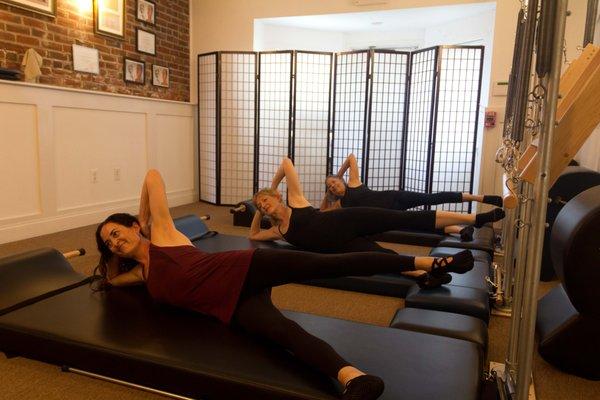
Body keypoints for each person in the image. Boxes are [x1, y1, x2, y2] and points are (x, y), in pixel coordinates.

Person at [95, 169, 475, 400]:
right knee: (284, 333)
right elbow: (111, 280)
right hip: (230, 307)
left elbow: (152, 176)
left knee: (330, 265)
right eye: (108, 242)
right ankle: (355, 378)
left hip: (245, 268)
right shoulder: (140, 273)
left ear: (131, 225)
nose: (115, 242)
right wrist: (112, 256)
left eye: (116, 232)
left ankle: (428, 262)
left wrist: (142, 218)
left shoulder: (161, 233)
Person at [250, 157, 504, 288]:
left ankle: (476, 218)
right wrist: (259, 210)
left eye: (265, 201)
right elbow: (253, 236)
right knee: (380, 256)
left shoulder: (295, 200)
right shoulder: (277, 231)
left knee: (407, 218)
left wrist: (269, 189)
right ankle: (424, 275)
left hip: (349, 221)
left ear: (277, 196)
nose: (263, 204)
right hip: (339, 247)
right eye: (260, 204)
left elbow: (286, 162)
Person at [321, 154, 504, 241]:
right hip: (390, 216)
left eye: (334, 183)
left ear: (341, 181)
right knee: (423, 223)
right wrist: (326, 194)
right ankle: (460, 230)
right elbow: (321, 212)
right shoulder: (341, 204)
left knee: (432, 198)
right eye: (331, 187)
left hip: (396, 198)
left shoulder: (353, 182)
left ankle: (479, 198)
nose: (334, 186)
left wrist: (337, 174)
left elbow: (352, 158)